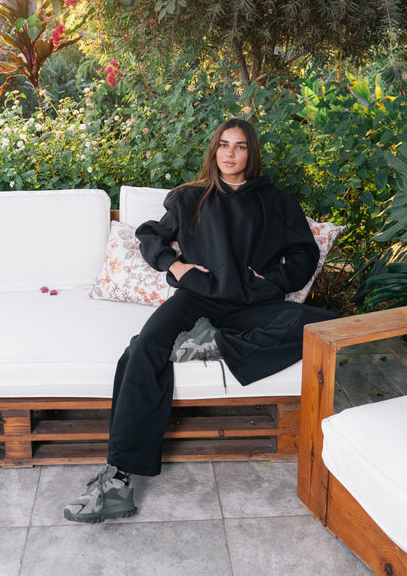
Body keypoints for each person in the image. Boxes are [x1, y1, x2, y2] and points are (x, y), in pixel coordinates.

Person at [64, 118, 337, 523]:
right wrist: (174, 265)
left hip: (254, 304)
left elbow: (304, 254)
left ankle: (216, 343)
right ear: (214, 151)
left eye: (240, 146)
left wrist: (275, 281)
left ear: (251, 153)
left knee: (323, 326)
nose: (230, 153)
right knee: (142, 349)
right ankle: (118, 481)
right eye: (224, 145)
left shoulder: (277, 201)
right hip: (197, 301)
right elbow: (150, 235)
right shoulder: (189, 197)